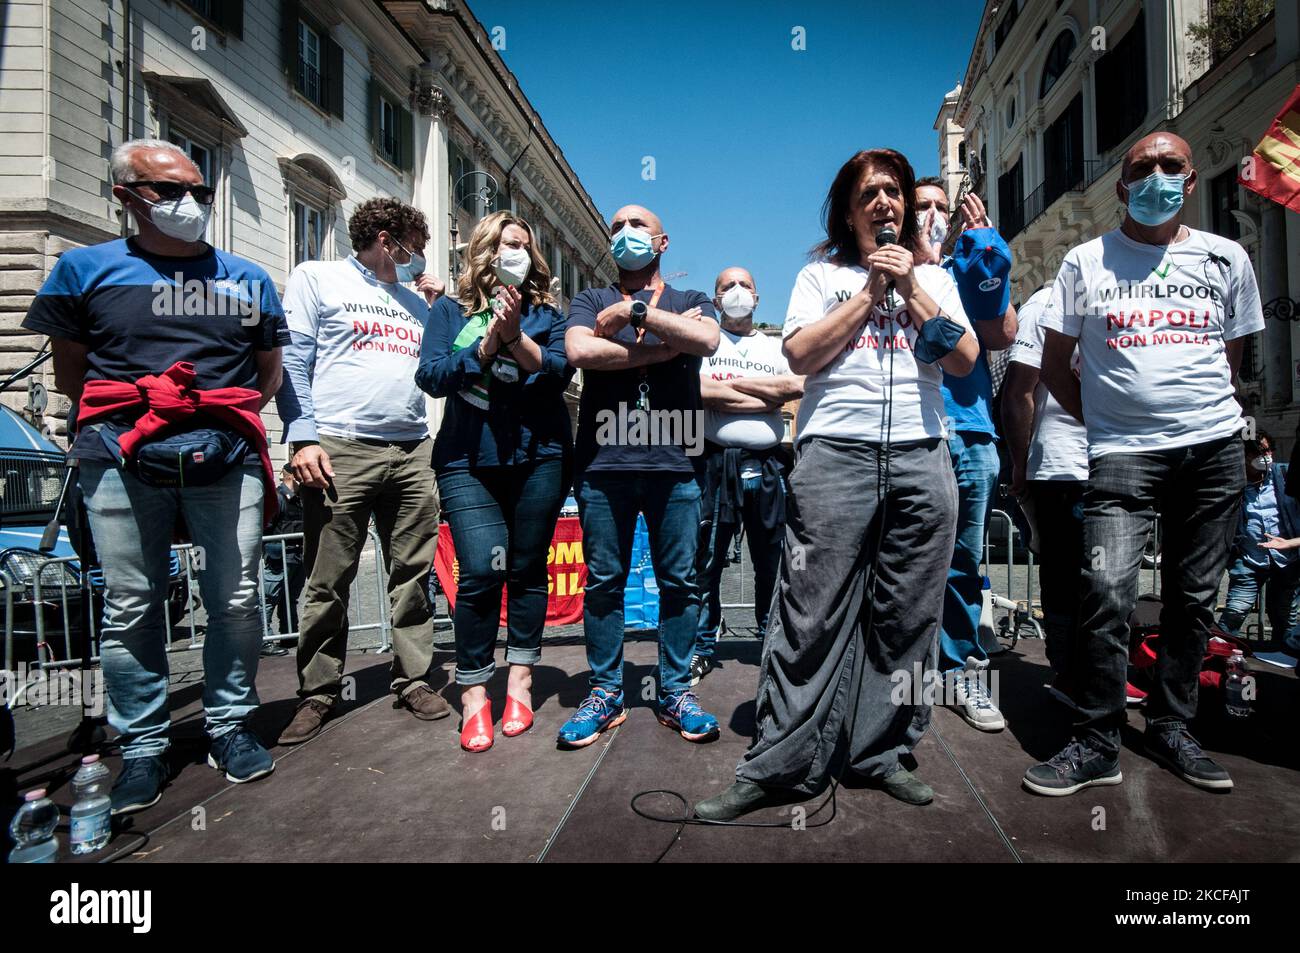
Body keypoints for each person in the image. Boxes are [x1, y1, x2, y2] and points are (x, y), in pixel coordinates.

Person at [695, 149, 978, 821]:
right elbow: (800, 354)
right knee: (808, 610)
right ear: (848, 210)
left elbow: (964, 358)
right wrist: (869, 294)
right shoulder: (819, 276)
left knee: (909, 615)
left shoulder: (936, 277)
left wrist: (910, 288)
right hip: (835, 454)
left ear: (907, 207)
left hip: (921, 450)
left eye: (894, 193)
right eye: (868, 193)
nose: (883, 203)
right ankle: (778, 761)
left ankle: (880, 751)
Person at [22, 138, 289, 813]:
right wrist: (142, 414)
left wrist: (213, 420)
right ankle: (142, 744)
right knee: (131, 603)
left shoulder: (247, 278)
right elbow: (70, 373)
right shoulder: (81, 270)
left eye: (199, 191)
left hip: (225, 453)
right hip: (116, 455)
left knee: (234, 596)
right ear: (127, 196)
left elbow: (267, 373)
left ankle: (228, 726)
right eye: (170, 191)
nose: (190, 203)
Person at [1025, 132, 1264, 796]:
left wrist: (1203, 418)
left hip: (1213, 451)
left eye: (1170, 167)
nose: (1157, 176)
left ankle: (1171, 724)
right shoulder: (1085, 261)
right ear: (1122, 185)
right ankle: (1097, 739)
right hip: (1121, 456)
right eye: (1141, 168)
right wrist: (1108, 423)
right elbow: (1053, 367)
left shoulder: (1227, 258)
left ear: (1190, 182)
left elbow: (1232, 360)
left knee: (1192, 598)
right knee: (1105, 592)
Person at [275, 198, 451, 745]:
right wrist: (302, 436)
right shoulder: (317, 278)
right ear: (384, 238)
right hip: (338, 447)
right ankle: (318, 692)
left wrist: (440, 308)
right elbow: (293, 362)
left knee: (413, 573)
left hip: (411, 447)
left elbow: (442, 362)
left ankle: (414, 678)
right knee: (327, 577)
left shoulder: (416, 304)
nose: (418, 260)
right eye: (413, 249)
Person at [561, 204, 721, 748]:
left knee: (681, 583)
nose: (624, 234)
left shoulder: (691, 300)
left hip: (677, 465)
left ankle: (675, 690)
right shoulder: (587, 300)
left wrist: (633, 316)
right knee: (603, 584)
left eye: (636, 226)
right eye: (617, 227)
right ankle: (605, 691)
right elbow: (580, 349)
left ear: (663, 241)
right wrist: (660, 347)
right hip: (604, 466)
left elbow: (706, 341)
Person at [415, 210, 570, 752]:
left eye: (525, 246)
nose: (517, 253)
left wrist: (515, 338)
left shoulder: (547, 312)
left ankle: (521, 680)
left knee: (526, 568)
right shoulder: (450, 311)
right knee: (481, 568)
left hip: (539, 458)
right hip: (466, 460)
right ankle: (475, 692)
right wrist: (482, 348)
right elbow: (430, 376)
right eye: (508, 244)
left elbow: (557, 372)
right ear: (484, 250)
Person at [914, 175, 1018, 733]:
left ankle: (958, 669)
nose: (931, 215)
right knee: (896, 556)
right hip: (910, 432)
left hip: (971, 433)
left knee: (964, 561)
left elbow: (1002, 333)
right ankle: (897, 670)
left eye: (939, 207)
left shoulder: (972, 267)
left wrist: (981, 251)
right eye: (921, 207)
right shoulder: (885, 272)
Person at [693, 267, 803, 683]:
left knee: (771, 562)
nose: (736, 292)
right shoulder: (703, 344)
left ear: (757, 298)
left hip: (771, 465)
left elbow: (793, 388)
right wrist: (763, 393)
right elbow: (698, 391)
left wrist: (729, 394)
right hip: (714, 465)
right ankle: (702, 647)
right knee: (707, 560)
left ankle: (771, 645)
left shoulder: (777, 347)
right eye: (726, 287)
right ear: (715, 299)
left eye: (744, 286)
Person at [1001, 286, 1091, 701]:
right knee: (1065, 573)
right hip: (1062, 465)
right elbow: (1019, 389)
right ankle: (1070, 672)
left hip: (1118, 459)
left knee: (1109, 579)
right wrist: (1021, 463)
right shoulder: (1047, 301)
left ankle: (1100, 669)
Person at [1218, 433, 1300, 648]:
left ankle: (1281, 660)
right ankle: (1219, 657)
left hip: (1287, 559)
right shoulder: (1233, 481)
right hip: (1249, 559)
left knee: (1286, 616)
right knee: (1235, 611)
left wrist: (1292, 543)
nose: (1266, 456)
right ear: (1244, 455)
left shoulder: (1285, 474)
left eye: (1269, 450)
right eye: (1259, 452)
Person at [260, 463, 306, 657]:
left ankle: (289, 634)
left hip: (297, 555)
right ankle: (263, 638)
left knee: (290, 599)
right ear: (291, 476)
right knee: (269, 598)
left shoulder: (300, 499)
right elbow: (265, 527)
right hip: (279, 555)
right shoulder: (278, 498)